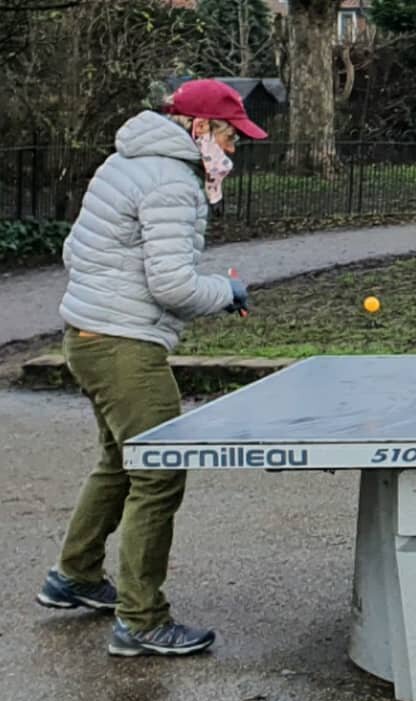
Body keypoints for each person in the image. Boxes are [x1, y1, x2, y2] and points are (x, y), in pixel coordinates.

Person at [37, 79, 265, 658]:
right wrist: (228, 290)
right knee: (159, 471)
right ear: (199, 129)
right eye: (230, 135)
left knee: (120, 460)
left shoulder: (126, 160)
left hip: (87, 335)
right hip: (124, 347)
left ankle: (76, 576)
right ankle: (141, 621)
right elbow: (172, 284)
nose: (234, 149)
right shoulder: (170, 181)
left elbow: (76, 249)